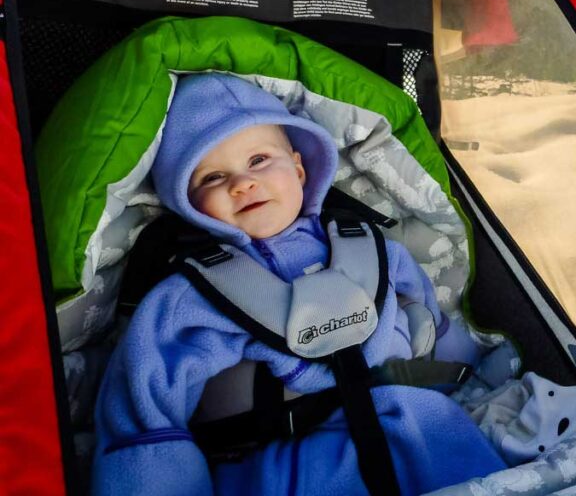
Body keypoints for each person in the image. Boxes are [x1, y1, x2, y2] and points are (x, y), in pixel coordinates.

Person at [91, 72, 508, 495]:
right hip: (285, 456)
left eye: (258, 161)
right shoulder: (186, 297)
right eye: (212, 178)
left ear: (299, 168)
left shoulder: (371, 245)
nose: (242, 183)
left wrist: (474, 373)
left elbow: (432, 318)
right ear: (187, 203)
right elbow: (142, 404)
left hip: (415, 422)